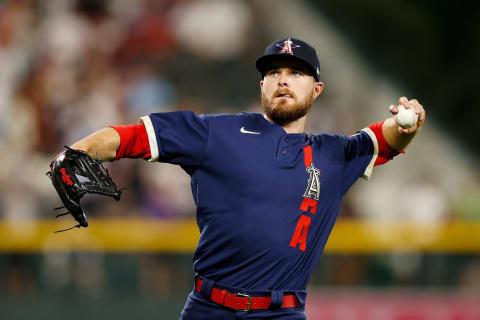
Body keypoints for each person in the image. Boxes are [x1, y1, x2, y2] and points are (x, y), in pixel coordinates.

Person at [66, 37, 426, 319]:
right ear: (262, 86)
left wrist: (409, 121)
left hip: (281, 313)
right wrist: (73, 153)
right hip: (209, 309)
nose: (283, 79)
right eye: (274, 72)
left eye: (296, 73)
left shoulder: (334, 154)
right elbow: (129, 137)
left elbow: (387, 137)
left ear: (316, 89)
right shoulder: (216, 133)